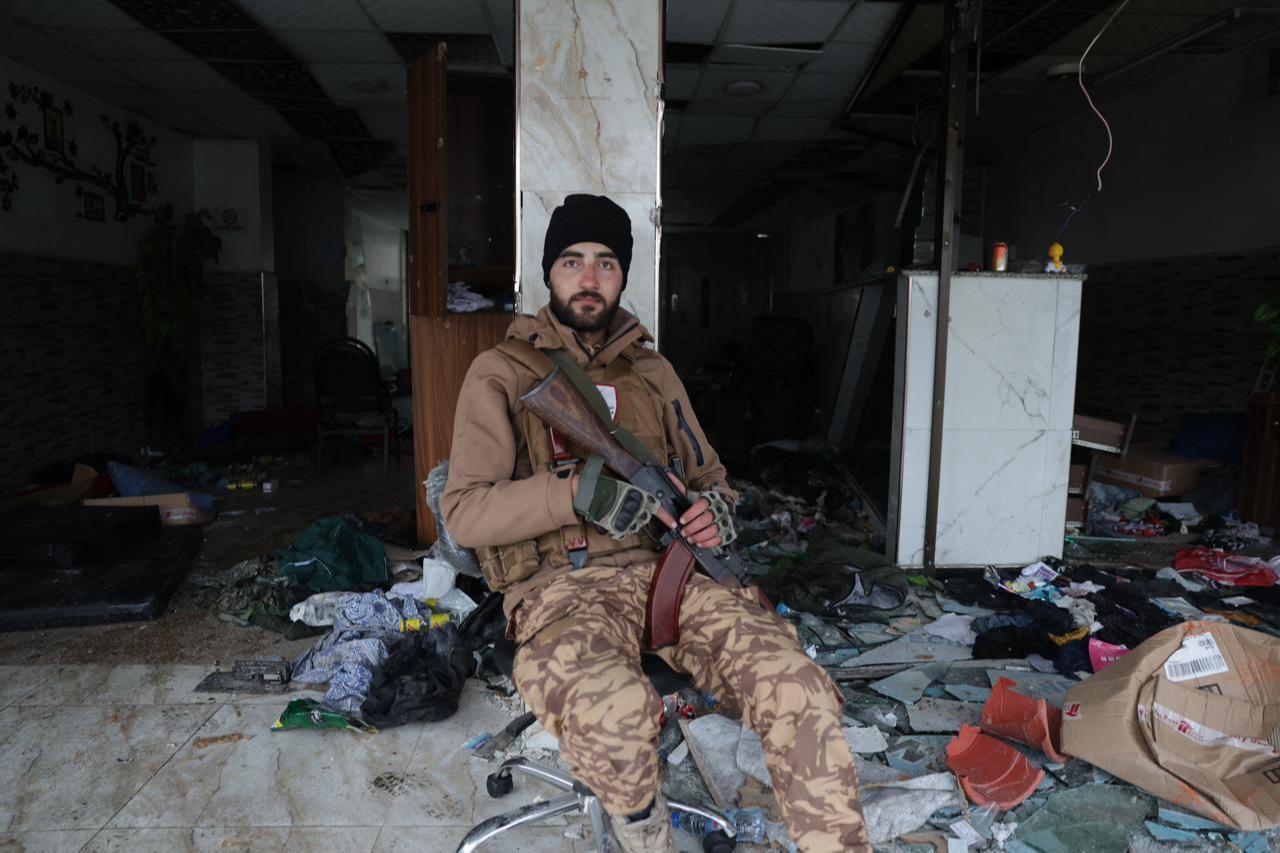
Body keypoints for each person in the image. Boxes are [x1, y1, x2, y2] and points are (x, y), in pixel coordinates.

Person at [442, 194, 869, 852]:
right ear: (549, 273)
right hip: (559, 589)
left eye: (607, 262)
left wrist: (716, 509)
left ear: (623, 274)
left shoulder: (654, 371)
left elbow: (709, 476)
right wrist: (575, 493)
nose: (589, 277)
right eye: (573, 261)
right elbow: (464, 512)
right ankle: (642, 832)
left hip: (673, 578)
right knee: (615, 712)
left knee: (801, 691)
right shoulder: (501, 373)